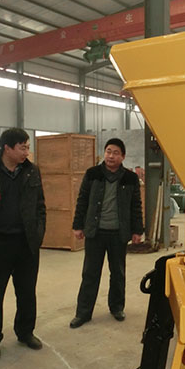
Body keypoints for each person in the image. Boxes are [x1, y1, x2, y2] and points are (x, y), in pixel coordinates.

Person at [0, 128, 46, 360]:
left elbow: (40, 206)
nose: (26, 152)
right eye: (22, 147)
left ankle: (25, 332)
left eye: (27, 147)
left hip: (26, 243)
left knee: (27, 292)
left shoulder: (32, 171)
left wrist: (38, 234)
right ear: (7, 148)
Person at [70, 138, 143, 329]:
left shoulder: (130, 178)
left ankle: (117, 307)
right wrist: (78, 225)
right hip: (95, 232)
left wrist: (137, 230)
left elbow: (136, 205)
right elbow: (82, 200)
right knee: (90, 274)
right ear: (104, 153)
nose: (111, 156)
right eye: (108, 151)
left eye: (116, 152)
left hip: (118, 234)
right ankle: (83, 313)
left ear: (123, 156)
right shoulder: (93, 174)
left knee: (118, 273)